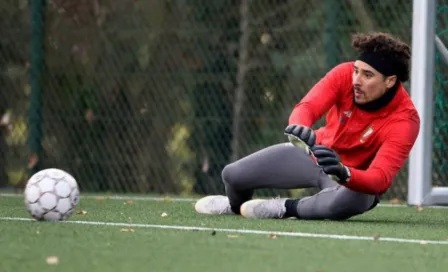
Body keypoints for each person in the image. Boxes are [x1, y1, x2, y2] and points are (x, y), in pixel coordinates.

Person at [193, 32, 420, 220]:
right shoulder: (344, 74)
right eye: (356, 70)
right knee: (232, 175)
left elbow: (379, 178)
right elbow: (307, 107)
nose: (356, 80)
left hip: (354, 182)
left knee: (344, 203)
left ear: (390, 81)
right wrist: (299, 127)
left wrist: (344, 172)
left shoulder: (405, 120)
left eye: (367, 75)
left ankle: (284, 208)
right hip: (316, 155)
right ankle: (234, 206)